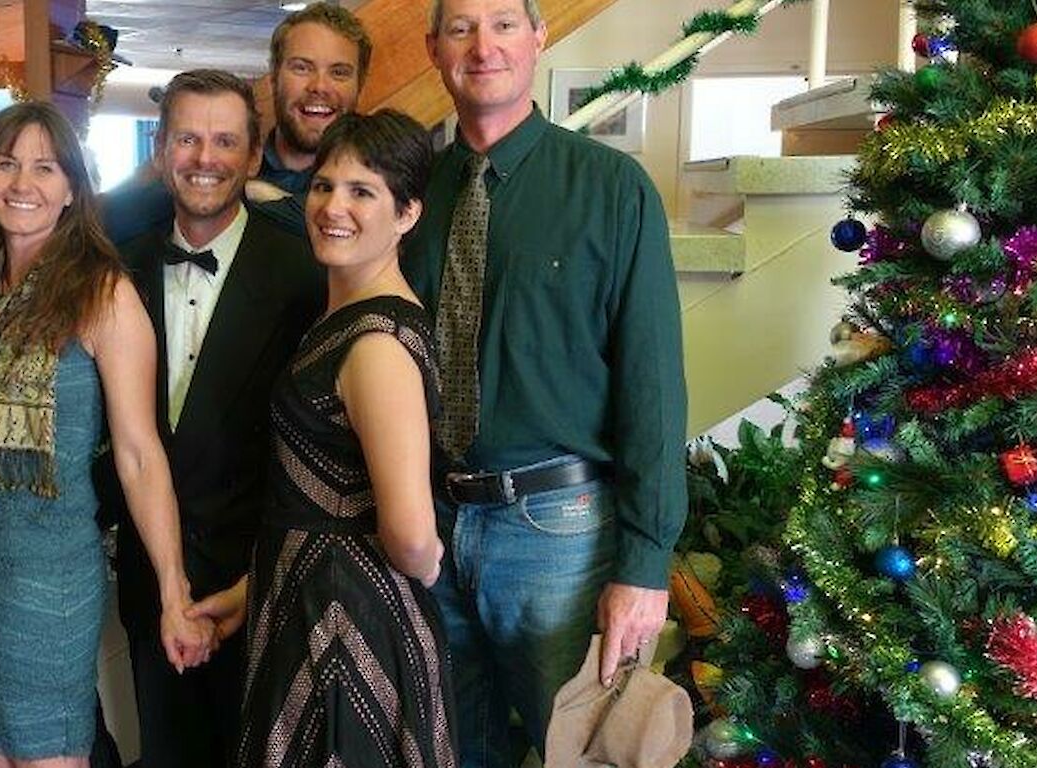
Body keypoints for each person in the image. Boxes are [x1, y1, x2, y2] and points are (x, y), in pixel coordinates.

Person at [0, 100, 210, 768]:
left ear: (71, 189)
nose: (22, 183)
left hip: (53, 575)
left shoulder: (102, 293)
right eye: (6, 164)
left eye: (44, 167)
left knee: (48, 754)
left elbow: (140, 454)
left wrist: (174, 593)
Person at [406, 0, 688, 763]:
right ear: (433, 47)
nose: (483, 46)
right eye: (461, 27)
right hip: (430, 526)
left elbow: (654, 388)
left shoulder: (610, 189)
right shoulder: (410, 197)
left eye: (503, 23)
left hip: (557, 532)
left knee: (581, 753)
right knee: (450, 750)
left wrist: (643, 564)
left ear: (538, 38)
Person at [102, 69, 325, 768]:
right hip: (150, 578)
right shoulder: (120, 269)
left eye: (225, 141)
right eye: (189, 139)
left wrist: (260, 575)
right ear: (162, 150)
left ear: (253, 158)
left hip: (261, 579)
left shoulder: (305, 274)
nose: (205, 158)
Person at [227, 109, 456, 767]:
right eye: (325, 185)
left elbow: (411, 533)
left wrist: (419, 559)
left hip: (345, 625)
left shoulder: (377, 343)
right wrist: (251, 588)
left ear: (407, 213)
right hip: (308, 600)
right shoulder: (347, 318)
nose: (334, 205)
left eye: (364, 191)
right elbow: (323, 491)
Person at [99, 2, 370, 243]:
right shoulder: (215, 165)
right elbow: (100, 221)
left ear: (360, 84)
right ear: (274, 76)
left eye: (339, 72)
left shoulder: (386, 183)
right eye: (302, 67)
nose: (319, 86)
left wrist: (262, 194)